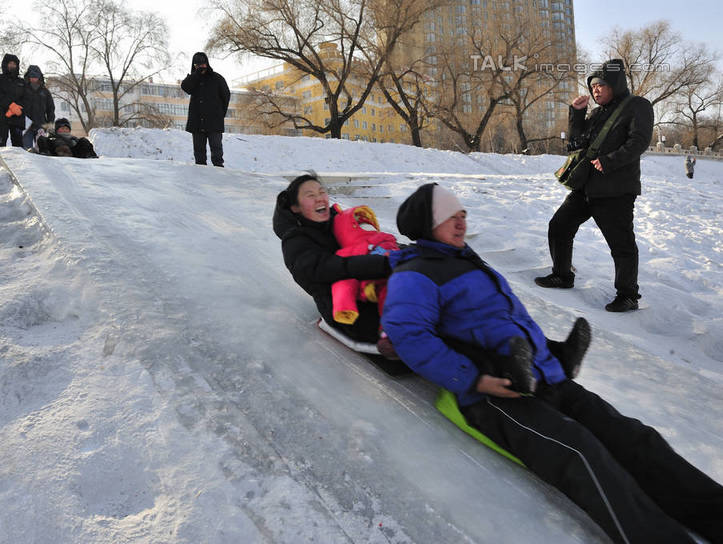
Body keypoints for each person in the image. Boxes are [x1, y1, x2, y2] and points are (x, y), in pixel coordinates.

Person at [382, 182, 723, 544]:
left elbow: (505, 323)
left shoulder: (465, 260)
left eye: (463, 214)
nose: (461, 222)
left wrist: (550, 355)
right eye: (451, 216)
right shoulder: (414, 274)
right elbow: (408, 336)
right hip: (498, 394)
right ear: (425, 222)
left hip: (540, 374)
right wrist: (474, 380)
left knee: (634, 437)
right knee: (583, 454)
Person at [535, 59, 654, 312]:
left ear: (615, 84)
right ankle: (562, 275)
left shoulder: (637, 106)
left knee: (620, 245)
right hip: (587, 187)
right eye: (593, 86)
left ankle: (628, 295)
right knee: (559, 226)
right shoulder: (597, 112)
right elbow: (577, 143)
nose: (596, 90)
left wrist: (610, 162)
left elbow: (639, 142)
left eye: (601, 84)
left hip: (616, 189)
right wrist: (576, 114)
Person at [273, 174, 391, 346]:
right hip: (344, 308)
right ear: (295, 207)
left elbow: (372, 240)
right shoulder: (295, 240)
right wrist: (377, 264)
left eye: (322, 192)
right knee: (410, 317)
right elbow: (321, 268)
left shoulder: (339, 222)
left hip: (373, 286)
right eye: (310, 195)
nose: (319, 198)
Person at [180, 52, 230, 167]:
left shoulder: (217, 78)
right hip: (197, 122)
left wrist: (220, 114)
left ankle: (219, 175)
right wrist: (196, 75)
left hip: (214, 122)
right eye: (197, 66)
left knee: (217, 152)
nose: (201, 68)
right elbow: (185, 87)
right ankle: (201, 178)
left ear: (207, 64)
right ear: (194, 66)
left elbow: (226, 96)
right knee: (199, 155)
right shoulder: (193, 79)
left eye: (202, 65)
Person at [0, 54, 26, 147]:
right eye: (10, 63)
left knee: (18, 146)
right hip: (2, 117)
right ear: (5, 64)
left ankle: (19, 161)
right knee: (0, 145)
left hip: (17, 118)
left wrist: (19, 107)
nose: (12, 65)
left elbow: (26, 98)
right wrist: (10, 105)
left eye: (14, 64)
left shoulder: (21, 82)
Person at [21, 65, 55, 149]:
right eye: (31, 76)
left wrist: (50, 124)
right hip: (26, 126)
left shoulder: (45, 92)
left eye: (36, 76)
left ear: (39, 77)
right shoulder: (22, 89)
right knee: (26, 151)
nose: (34, 79)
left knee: (42, 151)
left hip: (41, 126)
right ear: (28, 76)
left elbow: (50, 109)